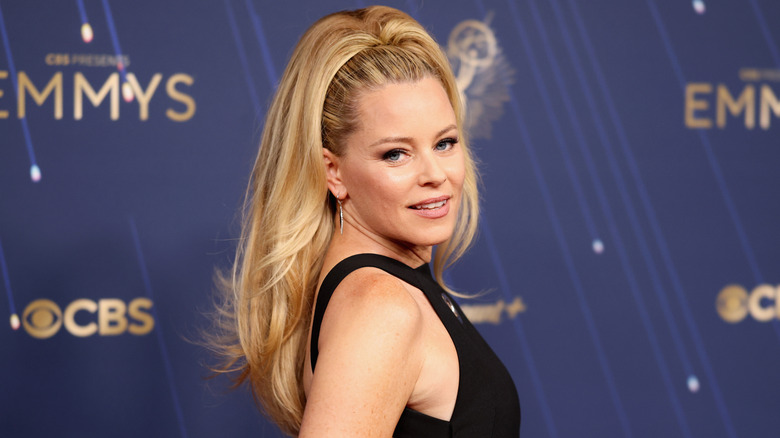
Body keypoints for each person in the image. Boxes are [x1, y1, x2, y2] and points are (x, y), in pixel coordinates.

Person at [209, 6, 520, 437]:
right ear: (333, 172)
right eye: (396, 154)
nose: (435, 174)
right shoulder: (381, 307)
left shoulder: (380, 289)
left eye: (445, 143)